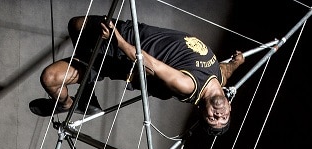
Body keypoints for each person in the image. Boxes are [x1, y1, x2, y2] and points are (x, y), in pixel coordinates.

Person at [29, 15, 246, 136]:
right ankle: (87, 92)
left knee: (49, 78)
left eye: (212, 118)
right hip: (131, 32)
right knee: (76, 24)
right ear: (229, 106)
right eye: (223, 117)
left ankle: (68, 104)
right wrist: (237, 63)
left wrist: (118, 41)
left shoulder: (188, 85)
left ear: (201, 109)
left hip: (122, 50)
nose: (218, 115)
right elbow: (225, 70)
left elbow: (147, 62)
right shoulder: (218, 77)